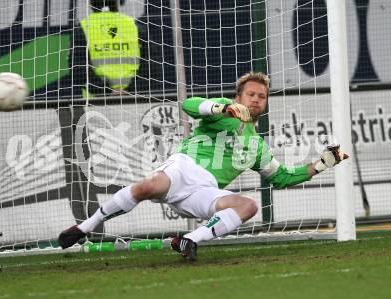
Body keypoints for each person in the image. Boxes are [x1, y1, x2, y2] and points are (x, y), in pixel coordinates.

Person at [58, 72, 349, 261]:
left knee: (248, 206)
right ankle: (86, 226)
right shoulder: (225, 111)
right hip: (182, 169)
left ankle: (189, 240)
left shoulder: (258, 147)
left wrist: (323, 163)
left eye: (262, 97)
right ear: (239, 97)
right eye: (251, 95)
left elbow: (283, 177)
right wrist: (222, 107)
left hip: (204, 191)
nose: (257, 100)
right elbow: (189, 105)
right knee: (148, 186)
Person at [70, 0, 140, 97]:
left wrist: (106, 91)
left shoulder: (83, 27)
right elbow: (152, 66)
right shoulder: (133, 25)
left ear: (90, 3)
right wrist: (130, 90)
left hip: (95, 103)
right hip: (136, 101)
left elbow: (78, 69)